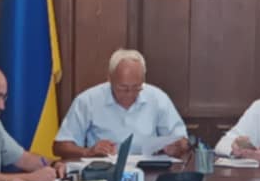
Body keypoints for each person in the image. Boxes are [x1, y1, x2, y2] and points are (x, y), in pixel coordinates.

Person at [53, 48, 191, 160]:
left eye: (136, 87)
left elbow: (183, 141)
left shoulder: (157, 98)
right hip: (103, 171)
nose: (130, 94)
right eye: (123, 88)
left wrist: (177, 147)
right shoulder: (87, 100)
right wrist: (88, 152)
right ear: (109, 78)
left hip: (149, 171)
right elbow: (60, 146)